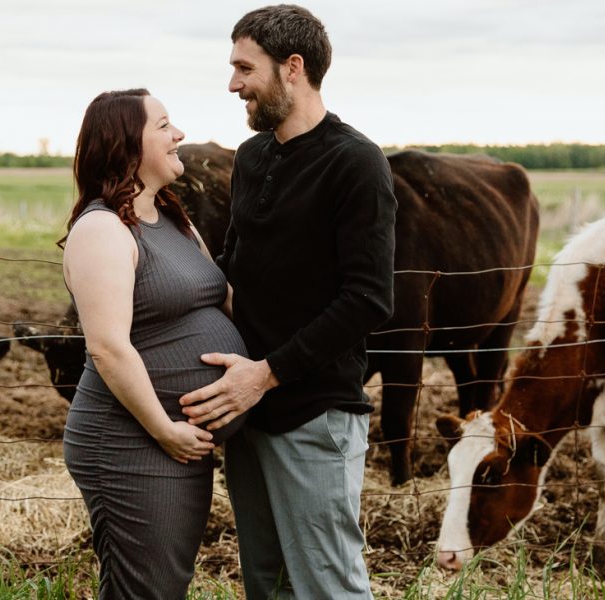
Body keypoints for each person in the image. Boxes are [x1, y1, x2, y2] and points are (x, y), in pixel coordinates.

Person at [180, 5, 397, 599]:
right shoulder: (252, 158)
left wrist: (265, 376)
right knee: (266, 586)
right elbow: (236, 267)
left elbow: (368, 299)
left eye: (244, 68)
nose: (233, 84)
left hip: (313, 414)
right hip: (248, 414)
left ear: (292, 68)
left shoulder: (355, 162)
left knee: (329, 588)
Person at [61, 88, 249, 599]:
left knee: (160, 585)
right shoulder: (102, 229)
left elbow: (228, 298)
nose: (179, 135)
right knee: (146, 589)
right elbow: (107, 347)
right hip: (131, 442)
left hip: (174, 444)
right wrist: (165, 429)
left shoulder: (172, 219)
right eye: (164, 125)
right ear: (127, 144)